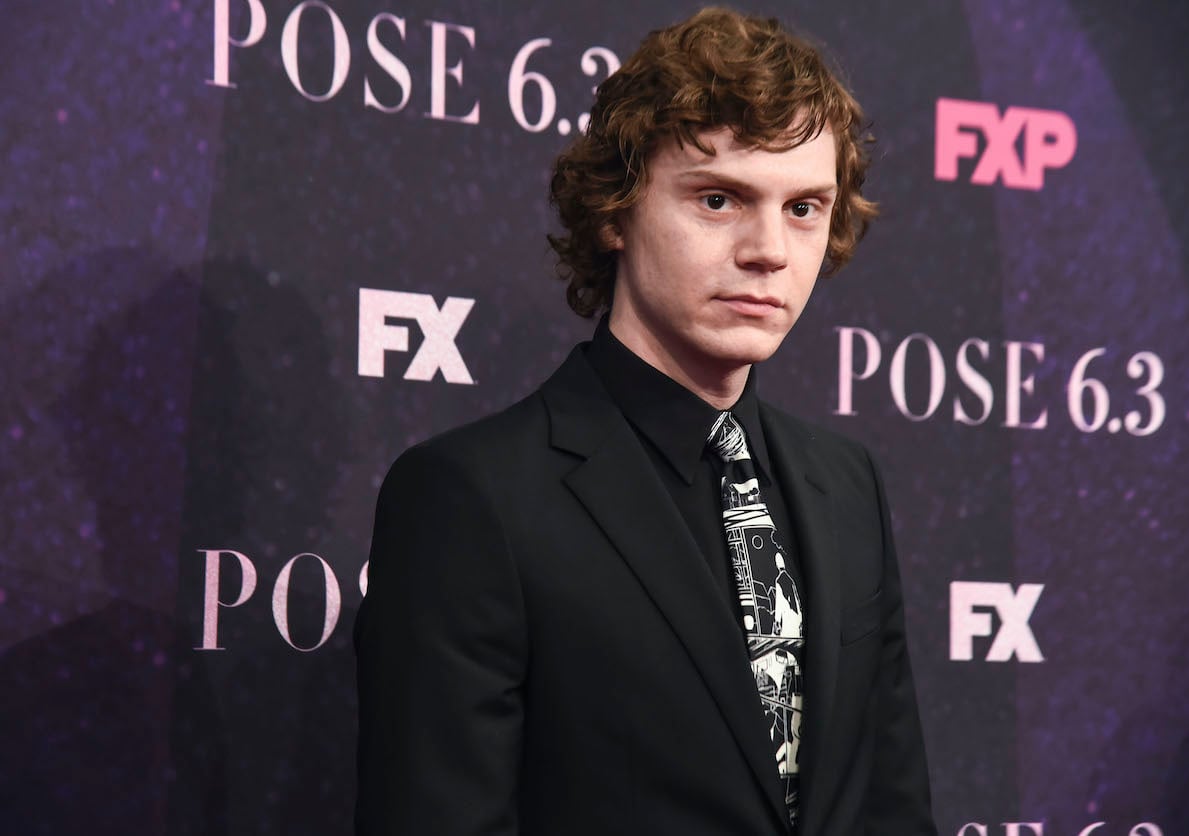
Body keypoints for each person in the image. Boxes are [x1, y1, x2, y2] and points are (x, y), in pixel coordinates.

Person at [355, 7, 936, 835]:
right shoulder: (473, 498)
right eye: (719, 199)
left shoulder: (847, 485)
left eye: (805, 207)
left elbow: (893, 809)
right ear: (613, 211)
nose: (770, 250)